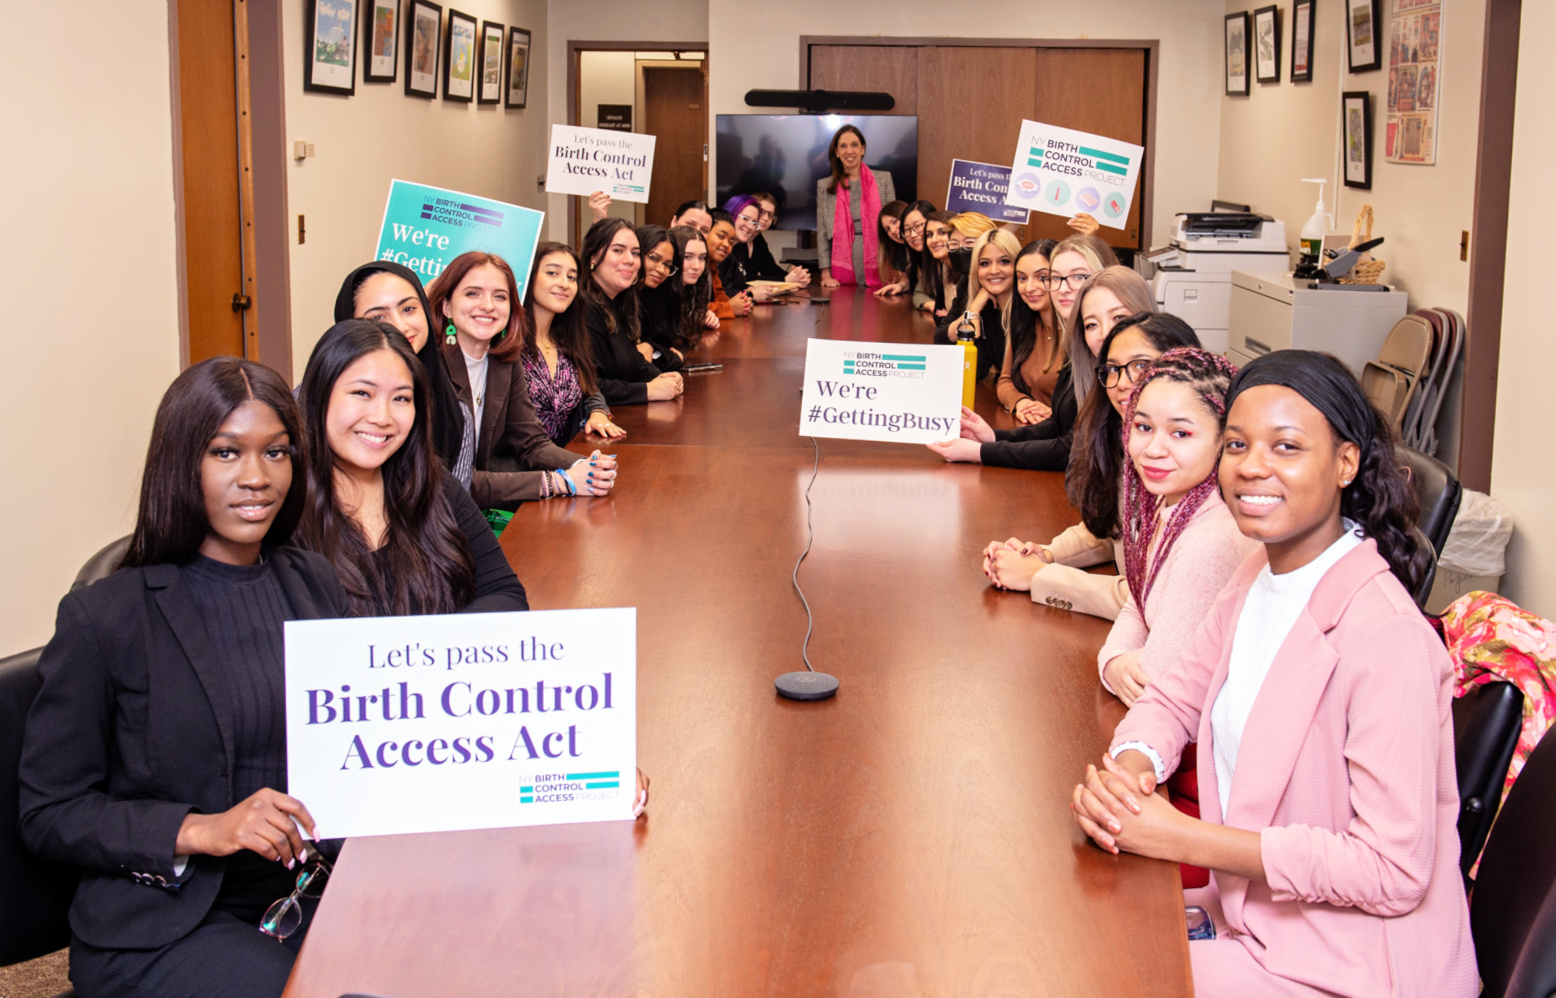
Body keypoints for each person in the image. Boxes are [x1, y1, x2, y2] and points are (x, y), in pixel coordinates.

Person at [1071, 350, 1475, 998]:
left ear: (1346, 463)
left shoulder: (1387, 637)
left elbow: (1392, 870)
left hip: (1358, 966)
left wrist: (1185, 838)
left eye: (1285, 446)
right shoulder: (1259, 571)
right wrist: (1130, 776)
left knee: (1099, 976)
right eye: (1238, 444)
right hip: (1259, 919)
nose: (1253, 465)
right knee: (1074, 934)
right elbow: (1173, 699)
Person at [20, 357, 350, 998]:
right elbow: (48, 812)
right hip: (165, 922)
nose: (256, 477)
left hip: (302, 891)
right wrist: (203, 828)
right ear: (181, 463)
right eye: (226, 452)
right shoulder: (106, 615)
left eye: (276, 452)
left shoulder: (313, 582)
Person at [295, 319, 531, 615]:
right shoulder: (285, 509)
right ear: (320, 394)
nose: (382, 417)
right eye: (362, 393)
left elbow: (504, 592)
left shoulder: (433, 484)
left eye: (401, 398)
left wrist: (432, 642)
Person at [983, 313, 1201, 619]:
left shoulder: (1193, 468)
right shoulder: (1125, 443)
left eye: (1140, 366)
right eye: (1112, 370)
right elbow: (1113, 531)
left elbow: (1154, 599)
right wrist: (1045, 554)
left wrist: (1039, 576)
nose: (1122, 383)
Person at [427, 251, 618, 509]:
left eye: (500, 296)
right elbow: (449, 481)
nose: (488, 305)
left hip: (480, 510)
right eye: (472, 293)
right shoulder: (429, 368)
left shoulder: (504, 361)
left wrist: (586, 465)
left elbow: (532, 442)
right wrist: (557, 482)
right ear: (446, 306)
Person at [927, 264, 1156, 470]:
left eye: (1118, 318)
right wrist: (993, 438)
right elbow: (1064, 429)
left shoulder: (1152, 381)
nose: (1105, 333)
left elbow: (1073, 449)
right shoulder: (1091, 364)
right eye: (1091, 324)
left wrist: (982, 451)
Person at [334, 261, 475, 487]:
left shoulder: (456, 415)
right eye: (378, 317)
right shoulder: (313, 399)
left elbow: (455, 505)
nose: (400, 326)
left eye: (408, 309)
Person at [521, 242, 627, 447]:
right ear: (530, 276)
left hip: (572, 456)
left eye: (571, 277)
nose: (564, 284)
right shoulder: (508, 345)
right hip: (522, 464)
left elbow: (589, 386)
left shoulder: (569, 340)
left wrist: (598, 411)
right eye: (552, 273)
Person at [580, 218, 684, 406]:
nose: (629, 260)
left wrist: (663, 378)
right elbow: (588, 386)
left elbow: (634, 363)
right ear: (593, 256)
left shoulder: (617, 303)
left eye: (635, 253)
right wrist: (648, 390)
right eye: (618, 250)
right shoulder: (584, 307)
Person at [932, 228, 1018, 383]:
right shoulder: (987, 307)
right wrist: (974, 310)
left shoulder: (1028, 311)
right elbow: (975, 370)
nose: (994, 271)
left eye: (1004, 261)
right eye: (984, 263)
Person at [816, 124, 897, 288]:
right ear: (837, 152)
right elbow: (823, 233)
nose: (849, 151)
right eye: (843, 146)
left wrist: (897, 269)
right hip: (841, 264)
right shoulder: (825, 186)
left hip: (880, 260)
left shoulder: (883, 180)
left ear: (862, 149)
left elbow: (894, 228)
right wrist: (825, 274)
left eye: (854, 145)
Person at [996, 239, 1059, 423]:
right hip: (1032, 427)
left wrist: (1055, 414)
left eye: (1042, 277)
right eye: (1022, 278)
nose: (1029, 288)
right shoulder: (1024, 323)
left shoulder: (1080, 332)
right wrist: (1022, 403)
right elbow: (1005, 380)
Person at [634, 224, 688, 372]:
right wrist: (670, 357)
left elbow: (672, 347)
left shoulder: (660, 295)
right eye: (654, 258)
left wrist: (653, 348)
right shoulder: (619, 295)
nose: (661, 270)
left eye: (667, 265)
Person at [745, 191, 810, 287]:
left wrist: (797, 278)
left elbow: (771, 270)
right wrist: (786, 280)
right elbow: (743, 277)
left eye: (770, 215)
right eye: (762, 212)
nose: (766, 218)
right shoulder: (737, 238)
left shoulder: (758, 240)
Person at [670, 223, 718, 339]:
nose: (696, 266)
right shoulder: (656, 294)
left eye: (701, 258)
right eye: (687, 257)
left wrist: (701, 316)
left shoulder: (692, 289)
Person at [705, 208, 754, 321]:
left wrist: (740, 303)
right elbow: (688, 310)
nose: (727, 245)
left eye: (731, 242)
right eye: (721, 236)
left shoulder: (711, 264)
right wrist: (729, 307)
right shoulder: (691, 264)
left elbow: (719, 295)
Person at [912, 210, 956, 315]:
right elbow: (919, 293)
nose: (934, 240)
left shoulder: (967, 270)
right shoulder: (943, 265)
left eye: (942, 232)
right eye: (929, 235)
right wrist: (931, 304)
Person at [873, 199, 910, 294]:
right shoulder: (899, 249)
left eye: (894, 221)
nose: (893, 230)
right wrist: (901, 285)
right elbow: (911, 280)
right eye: (887, 229)